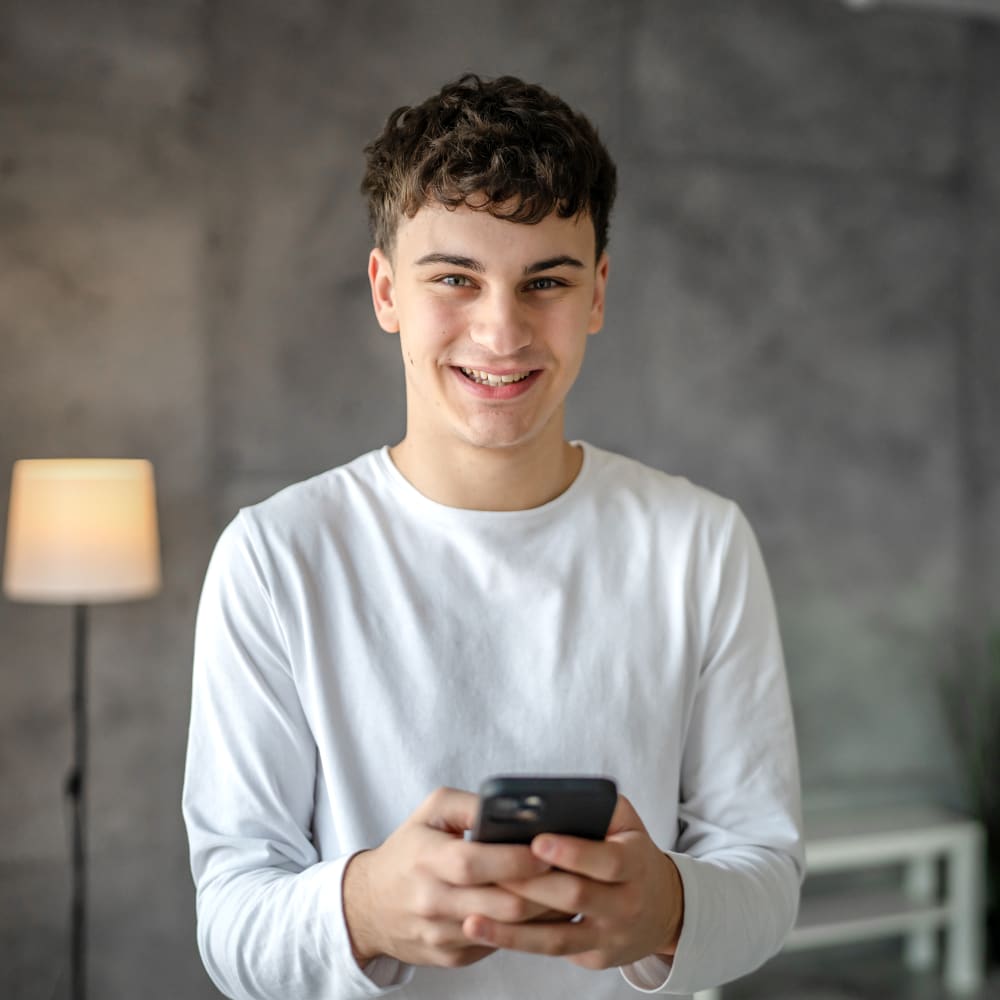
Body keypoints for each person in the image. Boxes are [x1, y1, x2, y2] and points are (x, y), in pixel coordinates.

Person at [182, 73, 804, 1000]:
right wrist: (365, 909)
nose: (502, 332)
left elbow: (766, 874)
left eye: (545, 282)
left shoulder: (700, 543)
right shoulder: (275, 557)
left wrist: (670, 907)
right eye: (454, 279)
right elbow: (231, 916)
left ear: (597, 294)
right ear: (387, 291)